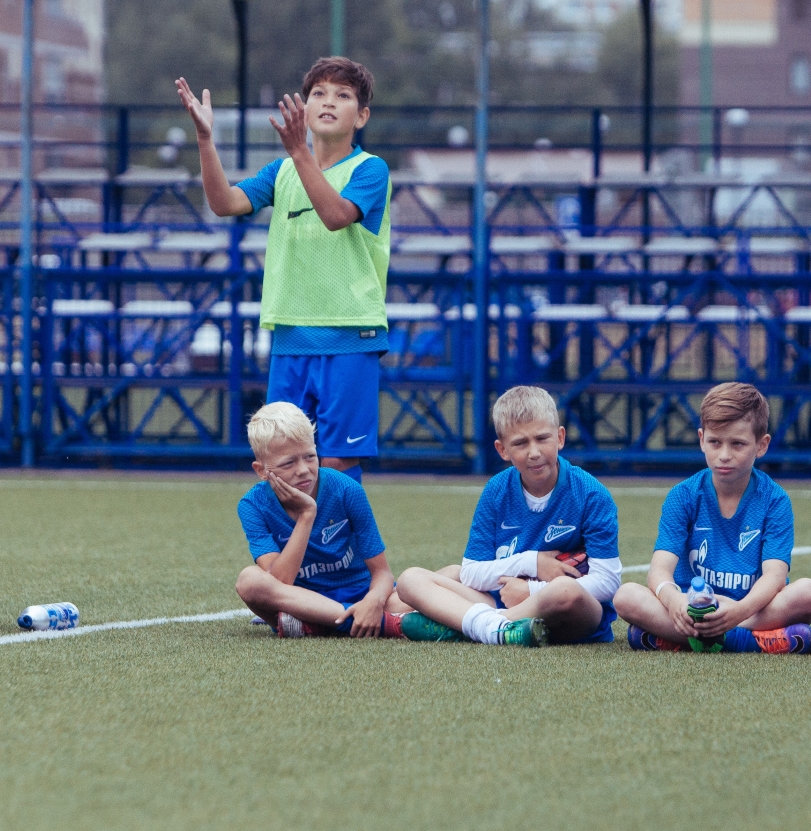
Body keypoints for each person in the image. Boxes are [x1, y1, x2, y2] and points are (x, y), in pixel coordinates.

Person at [179, 57, 389, 483]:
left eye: (343, 95)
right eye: (319, 93)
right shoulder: (281, 172)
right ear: (305, 108)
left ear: (361, 116)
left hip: (350, 335)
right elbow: (224, 204)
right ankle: (293, 552)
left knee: (334, 465)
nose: (329, 102)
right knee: (282, 465)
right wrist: (205, 139)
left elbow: (335, 216)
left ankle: (343, 551)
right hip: (290, 338)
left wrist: (298, 150)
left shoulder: (371, 169)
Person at [394, 386, 622, 647]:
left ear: (560, 438)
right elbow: (471, 574)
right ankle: (498, 629)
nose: (534, 452)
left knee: (565, 590)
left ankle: (476, 626)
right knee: (410, 580)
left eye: (542, 438)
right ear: (503, 450)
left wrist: (532, 591)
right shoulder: (496, 490)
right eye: (520, 443)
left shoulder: (591, 493)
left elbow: (607, 582)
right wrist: (531, 562)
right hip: (502, 601)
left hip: (569, 612)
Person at [614, 383, 811, 653]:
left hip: (749, 610)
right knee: (626, 596)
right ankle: (751, 641)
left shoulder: (775, 500)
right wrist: (673, 600)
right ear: (701, 439)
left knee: (809, 593)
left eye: (737, 444)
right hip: (692, 610)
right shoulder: (683, 495)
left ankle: (681, 639)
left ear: (762, 445)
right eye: (715, 442)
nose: (724, 455)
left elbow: (775, 576)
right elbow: (659, 569)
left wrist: (738, 611)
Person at [235, 401, 428, 639]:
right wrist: (307, 515)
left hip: (359, 592)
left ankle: (319, 625)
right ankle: (376, 624)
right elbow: (281, 582)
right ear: (262, 470)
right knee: (249, 581)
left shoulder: (346, 489)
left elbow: (382, 574)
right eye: (288, 463)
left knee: (430, 585)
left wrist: (372, 602)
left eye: (310, 456)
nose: (304, 470)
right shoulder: (252, 505)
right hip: (301, 601)